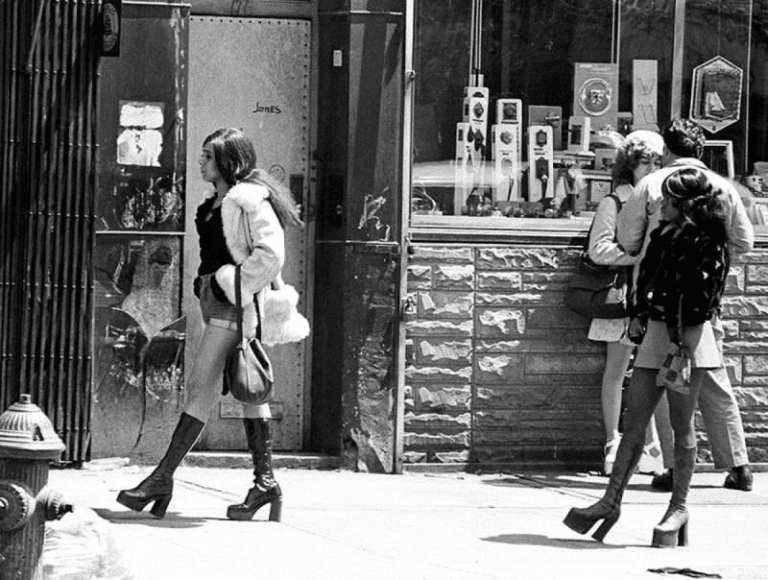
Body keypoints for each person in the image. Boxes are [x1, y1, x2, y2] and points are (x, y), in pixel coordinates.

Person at [116, 127, 303, 520]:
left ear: (227, 161)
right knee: (248, 393)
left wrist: (230, 283)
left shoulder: (248, 200)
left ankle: (162, 479)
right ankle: (265, 484)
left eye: (208, 156)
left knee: (200, 387)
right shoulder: (213, 203)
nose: (201, 162)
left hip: (234, 306)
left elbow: (272, 254)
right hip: (216, 303)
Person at [564, 166, 732, 547]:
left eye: (669, 199)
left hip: (688, 339)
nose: (661, 203)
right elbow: (645, 278)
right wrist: (639, 313)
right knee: (634, 421)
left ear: (685, 204)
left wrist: (680, 340)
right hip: (657, 332)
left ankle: (679, 507)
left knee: (681, 425)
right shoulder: (662, 233)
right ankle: (610, 501)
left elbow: (705, 297)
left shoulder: (709, 241)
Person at [617, 118, 754, 492]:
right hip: (704, 299)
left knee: (666, 379)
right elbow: (744, 241)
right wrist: (710, 255)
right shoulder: (722, 186)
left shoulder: (652, 184)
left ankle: (676, 471)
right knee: (710, 376)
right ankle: (737, 463)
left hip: (660, 298)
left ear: (666, 150)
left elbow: (627, 239)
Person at [586, 130, 664, 476]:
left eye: (657, 162)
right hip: (621, 298)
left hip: (654, 298)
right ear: (629, 166)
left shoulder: (663, 201)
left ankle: (651, 444)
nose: (651, 169)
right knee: (617, 371)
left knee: (651, 373)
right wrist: (637, 257)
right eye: (644, 162)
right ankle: (613, 441)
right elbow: (598, 249)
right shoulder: (614, 202)